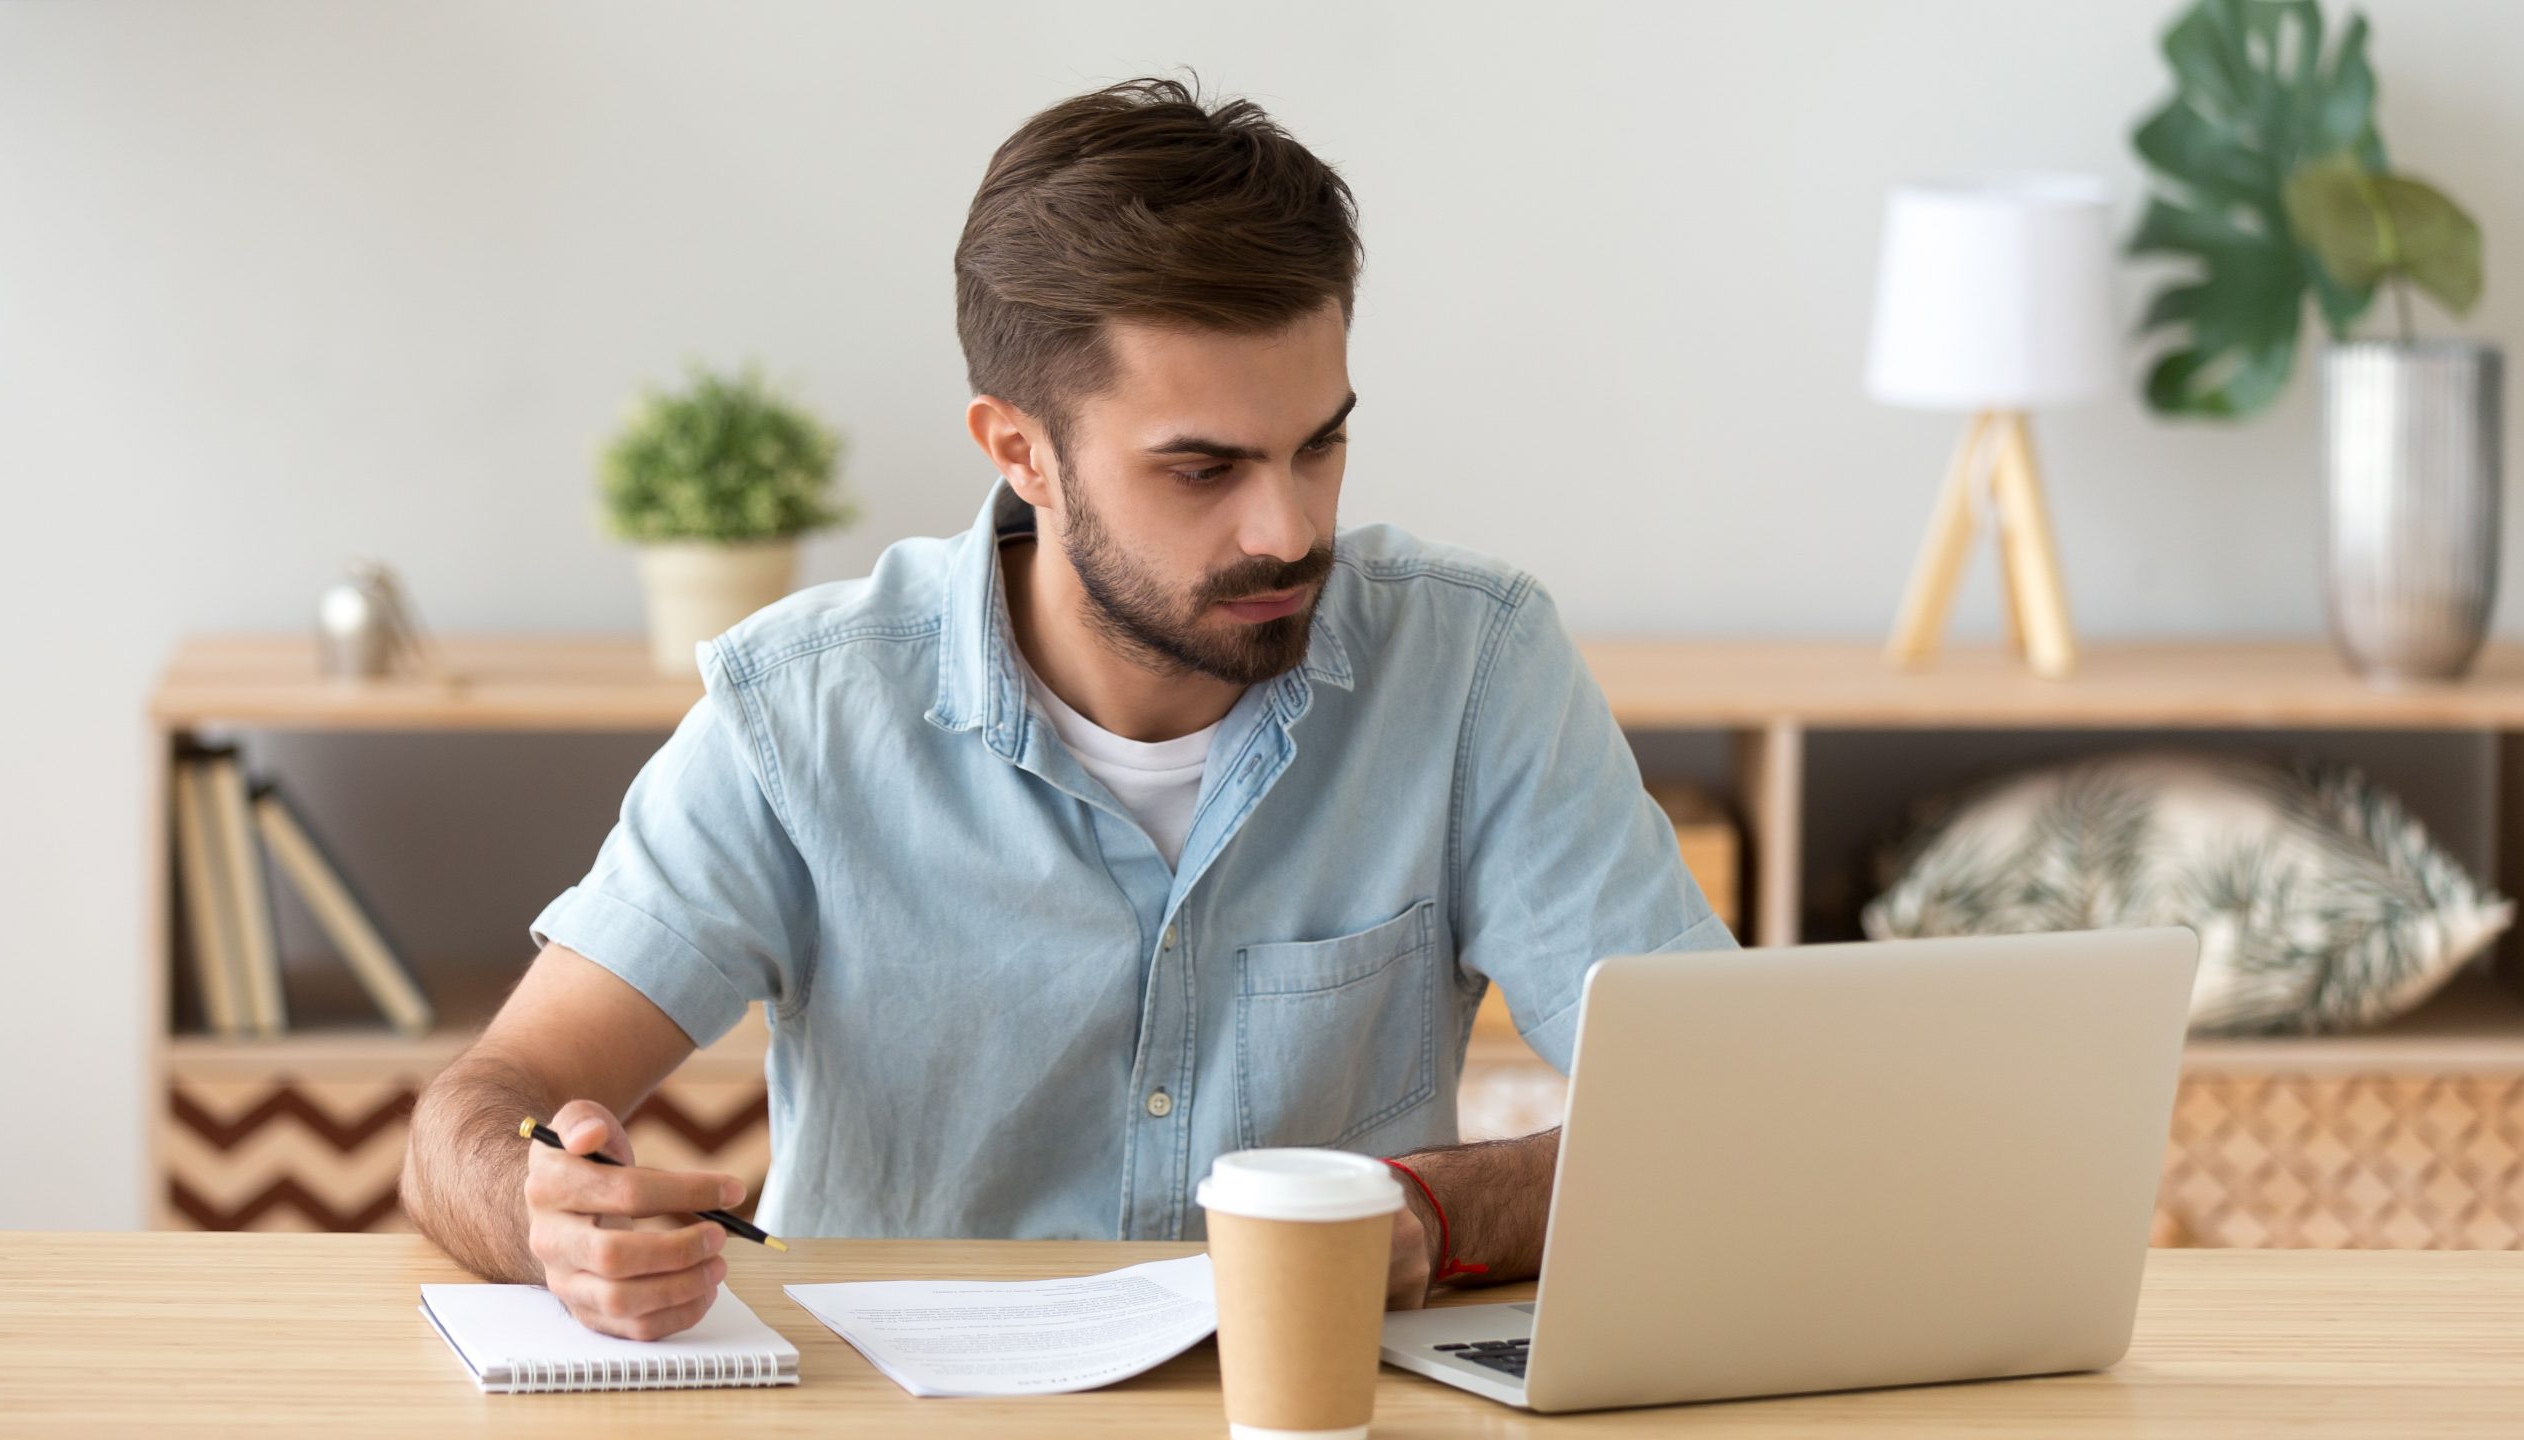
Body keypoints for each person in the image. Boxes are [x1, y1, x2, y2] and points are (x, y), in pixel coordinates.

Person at [401, 75, 1734, 1340]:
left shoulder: (1472, 669)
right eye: (1202, 469)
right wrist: (547, 1217)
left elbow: (1721, 1111)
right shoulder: (804, 711)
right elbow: (479, 1110)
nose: (1289, 527)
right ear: (1019, 451)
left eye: (1317, 444)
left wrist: (1431, 1216)